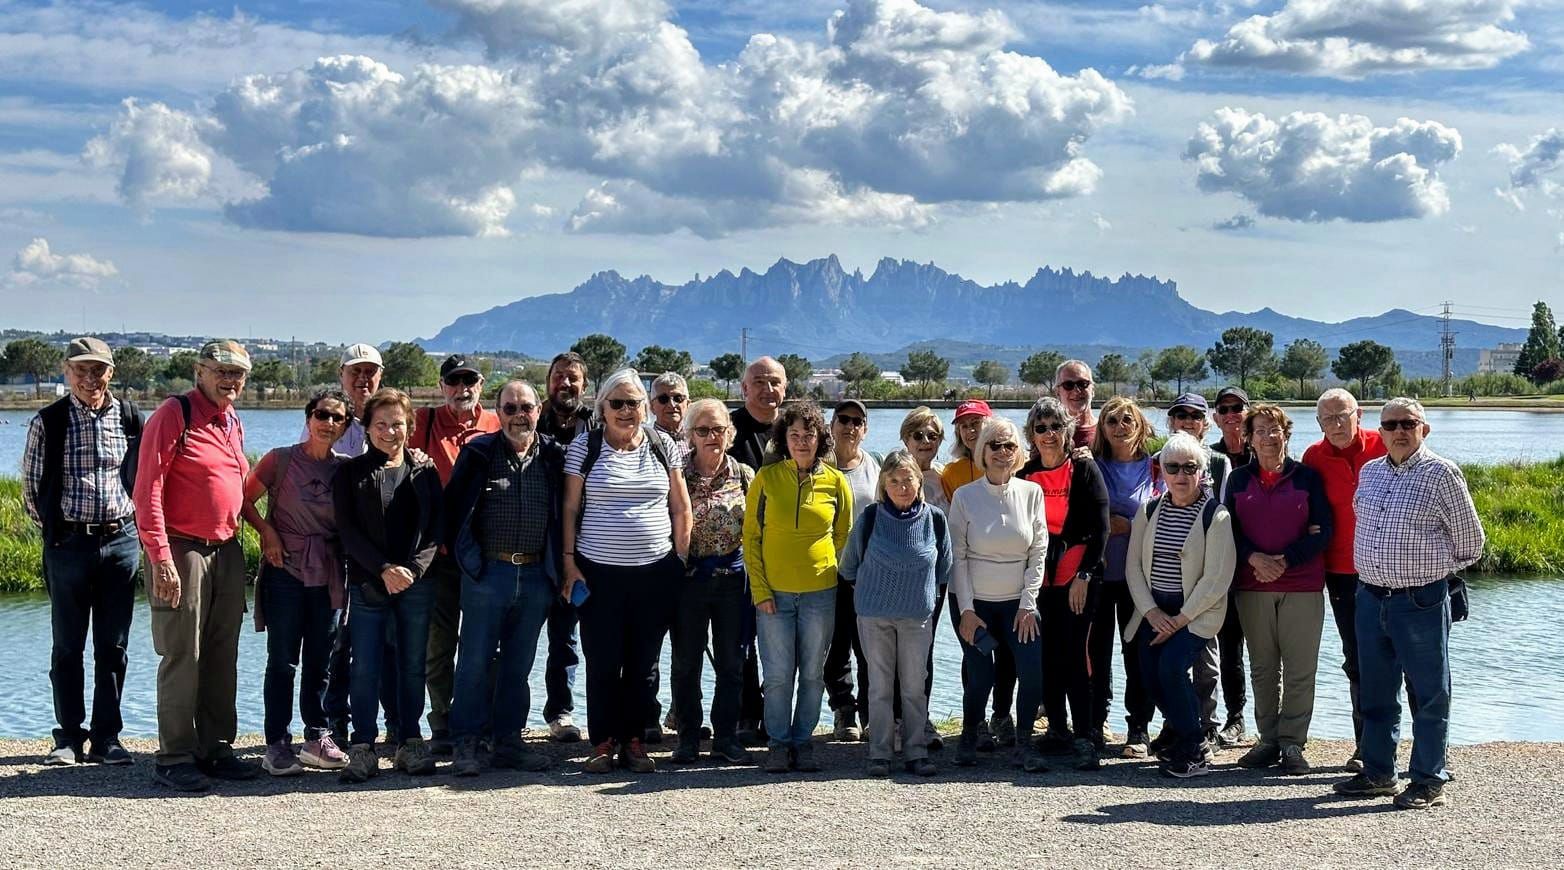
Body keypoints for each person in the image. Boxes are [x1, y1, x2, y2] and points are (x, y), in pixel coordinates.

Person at [1334, 398, 1484, 810]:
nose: (1399, 431)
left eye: (1408, 423)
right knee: (1377, 693)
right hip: (1370, 596)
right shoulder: (1371, 472)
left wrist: (1429, 571)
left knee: (1430, 692)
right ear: (1379, 432)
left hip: (1419, 599)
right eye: (1391, 424)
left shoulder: (1442, 474)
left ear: (1424, 429)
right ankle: (1379, 772)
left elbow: (1472, 543)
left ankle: (1428, 778)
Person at [133, 339, 257, 791]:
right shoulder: (174, 414)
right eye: (221, 371)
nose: (230, 380)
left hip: (226, 548)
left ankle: (216, 747)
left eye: (238, 374)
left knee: (223, 655)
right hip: (182, 548)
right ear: (198, 370)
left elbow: (237, 486)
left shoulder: (231, 420)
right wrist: (161, 557)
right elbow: (147, 489)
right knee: (184, 653)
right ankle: (175, 756)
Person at [561, 369, 692, 774]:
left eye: (633, 403)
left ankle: (634, 741)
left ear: (644, 408)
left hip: (654, 573)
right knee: (602, 661)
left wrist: (679, 561)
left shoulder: (662, 444)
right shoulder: (585, 447)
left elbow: (680, 507)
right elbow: (569, 508)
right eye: (616, 403)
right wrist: (568, 562)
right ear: (601, 407)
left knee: (644, 663)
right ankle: (602, 742)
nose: (625, 410)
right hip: (598, 574)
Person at [22, 337, 142, 767]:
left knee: (114, 646)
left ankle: (107, 737)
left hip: (122, 541)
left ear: (111, 372)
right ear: (67, 371)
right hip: (68, 544)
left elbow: (143, 481)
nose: (90, 378)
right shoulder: (48, 422)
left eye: (98, 370)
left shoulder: (130, 418)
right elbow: (31, 491)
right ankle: (68, 737)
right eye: (81, 370)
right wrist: (58, 535)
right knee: (67, 646)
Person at [444, 381, 564, 776]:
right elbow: (454, 517)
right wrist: (473, 568)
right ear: (499, 413)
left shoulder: (554, 456)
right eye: (509, 408)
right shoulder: (478, 453)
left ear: (538, 410)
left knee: (518, 665)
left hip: (534, 576)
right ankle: (466, 743)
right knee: (474, 663)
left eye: (525, 407)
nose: (518, 415)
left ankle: (509, 742)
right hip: (488, 575)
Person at [334, 388, 443, 783]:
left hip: (417, 584)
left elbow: (435, 529)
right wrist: (383, 569)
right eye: (380, 424)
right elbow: (347, 531)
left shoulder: (424, 471)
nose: (389, 431)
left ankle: (410, 741)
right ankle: (363, 748)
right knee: (364, 666)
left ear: (409, 426)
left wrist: (413, 569)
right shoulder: (349, 472)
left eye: (397, 423)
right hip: (368, 583)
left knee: (413, 665)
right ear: (366, 428)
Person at [244, 389, 352, 776]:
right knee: (283, 661)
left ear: (345, 426)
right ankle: (276, 744)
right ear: (309, 418)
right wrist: (267, 533)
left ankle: (317, 737)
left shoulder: (346, 469)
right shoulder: (280, 459)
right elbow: (244, 501)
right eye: (322, 415)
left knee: (321, 661)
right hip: (284, 570)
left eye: (338, 418)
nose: (329, 424)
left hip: (328, 575)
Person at [744, 400, 852, 774]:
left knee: (812, 672)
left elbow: (843, 533)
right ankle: (777, 742)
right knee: (776, 675)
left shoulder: (836, 482)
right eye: (794, 435)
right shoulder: (767, 479)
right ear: (783, 440)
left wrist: (824, 567)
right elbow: (751, 538)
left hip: (820, 594)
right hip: (773, 594)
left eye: (809, 435)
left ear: (820, 438)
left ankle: (802, 741)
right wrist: (760, 590)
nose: (802, 442)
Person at [1223, 404, 1332, 775]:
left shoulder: (1308, 478)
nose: (1268, 437)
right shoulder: (1238, 481)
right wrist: (1253, 558)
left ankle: (1293, 744)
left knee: (1301, 670)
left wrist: (1284, 560)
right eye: (1260, 431)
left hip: (1302, 586)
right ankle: (1268, 740)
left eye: (1275, 429)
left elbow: (1322, 531)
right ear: (1249, 439)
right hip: (1252, 586)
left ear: (1286, 433)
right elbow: (1228, 532)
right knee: (1263, 669)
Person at [1123, 432, 1237, 779]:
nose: (1181, 475)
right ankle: (1179, 731)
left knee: (1172, 669)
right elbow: (1134, 567)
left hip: (1196, 613)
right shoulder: (1149, 510)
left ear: (1202, 472)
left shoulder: (1216, 516)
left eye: (1190, 467)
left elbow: (1217, 579)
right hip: (1153, 610)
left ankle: (1194, 748)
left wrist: (1179, 620)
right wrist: (1153, 613)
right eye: (1173, 467)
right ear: (1162, 471)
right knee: (1150, 675)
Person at [837, 450, 952, 777]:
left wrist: (923, 599)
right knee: (880, 686)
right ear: (884, 484)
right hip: (875, 617)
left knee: (915, 686)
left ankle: (916, 752)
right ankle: (880, 754)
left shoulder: (935, 519)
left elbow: (944, 569)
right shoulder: (871, 518)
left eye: (908, 480)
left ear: (920, 483)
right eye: (894, 481)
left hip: (917, 618)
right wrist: (873, 594)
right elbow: (848, 568)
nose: (902, 487)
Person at [408, 354, 500, 754]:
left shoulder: (498, 422)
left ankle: (481, 722)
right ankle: (442, 722)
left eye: (470, 381)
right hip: (440, 555)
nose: (462, 388)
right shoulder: (423, 424)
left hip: (485, 555)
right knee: (439, 645)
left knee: (484, 645)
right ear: (442, 385)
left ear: (481, 384)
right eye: (454, 381)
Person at [949, 417, 1049, 772]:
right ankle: (969, 734)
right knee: (980, 675)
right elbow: (957, 558)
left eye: (1009, 446)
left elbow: (1039, 551)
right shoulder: (964, 497)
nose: (1002, 453)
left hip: (1019, 605)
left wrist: (1028, 603)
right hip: (975, 606)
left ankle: (1024, 742)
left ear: (1019, 452)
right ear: (982, 451)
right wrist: (966, 610)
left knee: (1032, 671)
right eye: (994, 445)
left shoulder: (1031, 492)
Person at [1016, 396, 1109, 770]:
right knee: (1047, 658)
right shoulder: (1025, 475)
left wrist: (1085, 575)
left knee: (1078, 658)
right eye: (1041, 428)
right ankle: (1057, 728)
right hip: (1041, 580)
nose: (1049, 434)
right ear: (1032, 435)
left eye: (1056, 426)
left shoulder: (1085, 470)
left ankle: (1086, 735)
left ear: (1068, 430)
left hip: (1078, 578)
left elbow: (1102, 529)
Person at [1301, 387, 1387, 771]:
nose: (1335, 424)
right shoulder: (1313, 457)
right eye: (1327, 419)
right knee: (1357, 659)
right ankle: (1365, 746)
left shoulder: (1385, 443)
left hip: (1392, 570)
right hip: (1341, 574)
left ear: (1359, 414)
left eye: (1342, 415)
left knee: (1407, 659)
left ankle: (1427, 751)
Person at [670, 399, 756, 765]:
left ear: (730, 433)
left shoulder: (745, 476)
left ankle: (725, 737)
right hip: (688, 582)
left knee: (732, 664)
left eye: (718, 429)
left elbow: (758, 531)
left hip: (732, 583)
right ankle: (688, 737)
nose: (711, 436)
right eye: (702, 430)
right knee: (686, 663)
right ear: (689, 435)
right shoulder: (675, 474)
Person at [1158, 393, 1239, 752]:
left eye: (1195, 415)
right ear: (1171, 421)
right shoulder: (1160, 458)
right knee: (1165, 661)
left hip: (1205, 576)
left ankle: (1207, 725)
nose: (1187, 420)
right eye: (1180, 415)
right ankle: (1175, 724)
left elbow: (1223, 513)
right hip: (1166, 580)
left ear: (1206, 423)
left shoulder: (1219, 463)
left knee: (1206, 658)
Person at [940, 398, 1014, 749]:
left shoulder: (1012, 466)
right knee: (976, 654)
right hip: (967, 583)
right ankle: (976, 723)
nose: (972, 430)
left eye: (978, 423)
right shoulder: (951, 474)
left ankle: (1002, 714)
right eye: (965, 424)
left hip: (1006, 585)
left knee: (1010, 657)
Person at [1091, 396, 1160, 758]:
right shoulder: (1093, 467)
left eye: (1127, 420)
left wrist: (1126, 525)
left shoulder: (1157, 469)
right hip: (1101, 576)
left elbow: (1161, 521)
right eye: (1112, 420)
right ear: (1102, 428)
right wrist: (1116, 525)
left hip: (1141, 579)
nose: (1120, 427)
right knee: (1097, 653)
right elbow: (1088, 517)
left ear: (1141, 426)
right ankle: (1095, 725)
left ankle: (1138, 729)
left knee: (1137, 654)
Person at [728, 356, 787, 742]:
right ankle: (746, 712)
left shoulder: (796, 430)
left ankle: (778, 713)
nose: (767, 389)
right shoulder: (729, 428)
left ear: (786, 388)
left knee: (782, 640)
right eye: (759, 382)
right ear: (744, 388)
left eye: (775, 382)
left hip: (787, 553)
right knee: (740, 637)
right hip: (738, 552)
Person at [537, 351, 592, 743]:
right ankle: (500, 717)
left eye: (573, 378)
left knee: (567, 637)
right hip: (533, 544)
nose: (565, 384)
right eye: (559, 377)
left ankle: (561, 712)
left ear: (584, 385)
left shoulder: (597, 426)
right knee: (516, 639)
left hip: (583, 547)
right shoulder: (529, 419)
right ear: (548, 383)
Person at [825, 399, 880, 742]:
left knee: (868, 647)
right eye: (843, 419)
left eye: (857, 421)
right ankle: (843, 709)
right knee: (835, 646)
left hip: (866, 573)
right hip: (826, 572)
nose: (850, 426)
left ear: (865, 429)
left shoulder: (873, 467)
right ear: (831, 425)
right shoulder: (819, 466)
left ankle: (871, 712)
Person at [1207, 385, 1253, 747]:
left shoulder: (1266, 452)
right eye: (1224, 409)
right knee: (1229, 644)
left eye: (1237, 407)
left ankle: (1275, 721)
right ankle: (1235, 717)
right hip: (1224, 564)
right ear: (1215, 417)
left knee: (1268, 648)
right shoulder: (1209, 458)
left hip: (1261, 565)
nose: (1231, 414)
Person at [648, 371, 691, 740]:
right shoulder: (643, 442)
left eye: (677, 397)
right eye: (663, 399)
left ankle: (682, 716)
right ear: (651, 406)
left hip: (696, 565)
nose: (671, 404)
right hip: (655, 561)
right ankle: (648, 718)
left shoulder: (701, 440)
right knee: (649, 645)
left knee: (688, 647)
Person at [299, 343, 381, 455]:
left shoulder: (388, 420)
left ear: (380, 375)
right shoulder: (323, 417)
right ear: (341, 374)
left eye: (369, 371)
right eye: (355, 371)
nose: (362, 377)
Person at [900, 407, 947, 511]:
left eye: (932, 436)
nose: (926, 441)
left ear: (939, 441)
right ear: (906, 440)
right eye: (918, 435)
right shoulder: (893, 476)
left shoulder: (945, 475)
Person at [1054, 360, 1098, 449]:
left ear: (1092, 389)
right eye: (1068, 385)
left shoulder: (1110, 430)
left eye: (1083, 384)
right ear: (1057, 392)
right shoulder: (1048, 433)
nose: (1076, 391)